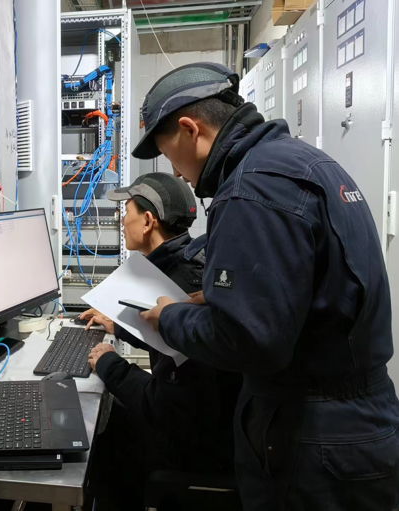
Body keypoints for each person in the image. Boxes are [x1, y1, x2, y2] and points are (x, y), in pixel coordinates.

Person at [133, 63, 399, 511]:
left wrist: (172, 317)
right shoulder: (302, 162)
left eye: (169, 156)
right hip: (357, 424)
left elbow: (251, 342)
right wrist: (218, 300)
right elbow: (301, 297)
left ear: (189, 129)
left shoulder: (250, 191)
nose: (177, 175)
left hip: (313, 439)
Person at [82, 172, 240, 511]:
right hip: (214, 433)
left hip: (194, 451)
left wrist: (110, 364)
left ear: (149, 221)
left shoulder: (175, 284)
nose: (122, 220)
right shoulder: (187, 265)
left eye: (126, 210)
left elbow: (169, 408)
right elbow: (177, 347)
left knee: (99, 445)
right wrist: (120, 326)